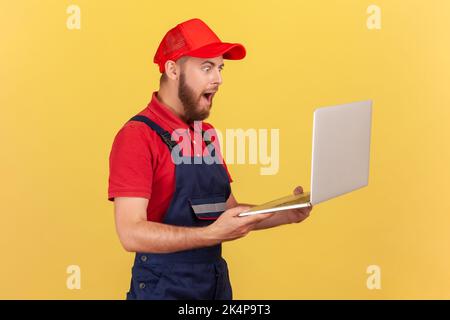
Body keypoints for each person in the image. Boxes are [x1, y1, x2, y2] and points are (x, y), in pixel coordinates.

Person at [108, 18, 313, 300]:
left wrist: (286, 213)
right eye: (206, 67)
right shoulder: (137, 136)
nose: (218, 79)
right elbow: (130, 233)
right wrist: (211, 235)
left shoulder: (206, 134)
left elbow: (228, 210)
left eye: (219, 68)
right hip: (163, 288)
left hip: (213, 284)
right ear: (172, 70)